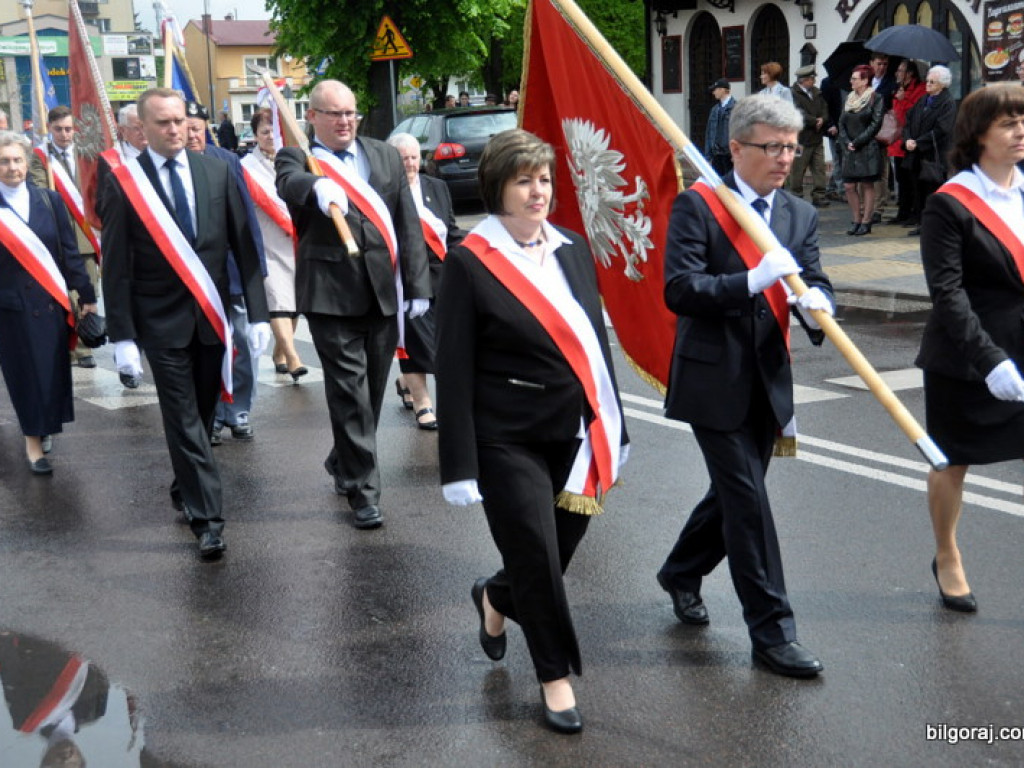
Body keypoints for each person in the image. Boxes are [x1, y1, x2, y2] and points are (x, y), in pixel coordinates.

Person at [436, 129, 628, 734]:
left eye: (543, 178)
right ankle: (554, 677)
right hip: (505, 437)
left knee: (553, 557)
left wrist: (614, 426)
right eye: (524, 179)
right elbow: (454, 366)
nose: (537, 190)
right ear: (498, 188)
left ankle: (495, 598)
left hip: (574, 434)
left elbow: (595, 347)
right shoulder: (470, 261)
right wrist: (459, 463)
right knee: (537, 557)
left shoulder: (571, 247)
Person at [657, 95, 834, 679]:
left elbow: (814, 279)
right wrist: (748, 281)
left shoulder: (798, 215)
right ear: (736, 148)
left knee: (736, 495)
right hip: (713, 381)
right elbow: (680, 289)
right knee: (750, 505)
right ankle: (773, 632)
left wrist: (818, 305)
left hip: (768, 379)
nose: (785, 158)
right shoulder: (701, 206)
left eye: (792, 146)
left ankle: (681, 570)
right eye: (772, 147)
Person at [100, 88, 271, 561]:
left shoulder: (217, 169)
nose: (174, 129)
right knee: (181, 417)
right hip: (160, 321)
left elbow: (244, 245)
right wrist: (124, 336)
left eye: (179, 120)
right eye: (163, 123)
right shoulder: (123, 182)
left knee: (198, 411)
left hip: (211, 317)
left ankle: (185, 484)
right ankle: (209, 520)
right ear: (142, 130)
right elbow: (116, 264)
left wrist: (258, 314)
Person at [275, 80, 431, 530]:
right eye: (334, 113)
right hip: (331, 294)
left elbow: (407, 221)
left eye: (350, 113)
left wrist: (418, 285)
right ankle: (364, 491)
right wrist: (316, 189)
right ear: (313, 116)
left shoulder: (383, 155)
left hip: (384, 292)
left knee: (373, 392)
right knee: (348, 393)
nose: (344, 121)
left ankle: (343, 459)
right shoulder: (298, 156)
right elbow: (289, 182)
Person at [915, 84, 1024, 614]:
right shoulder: (950, 202)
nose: (1020, 131)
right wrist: (991, 360)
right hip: (968, 357)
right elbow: (948, 294)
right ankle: (947, 552)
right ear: (977, 134)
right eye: (1008, 122)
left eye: (1023, 119)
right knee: (952, 461)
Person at [0, 131, 98, 475]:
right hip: (10, 308)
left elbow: (69, 252)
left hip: (49, 303)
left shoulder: (49, 201)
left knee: (51, 372)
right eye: (4, 161)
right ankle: (32, 442)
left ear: (28, 163)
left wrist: (87, 296)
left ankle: (44, 424)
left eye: (17, 160)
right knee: (25, 375)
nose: (12, 167)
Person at [184, 101, 269, 445]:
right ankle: (214, 413)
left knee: (244, 341)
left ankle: (240, 409)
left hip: (231, 272)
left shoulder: (227, 162)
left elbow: (246, 219)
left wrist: (257, 269)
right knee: (208, 346)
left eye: (197, 128)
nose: (192, 135)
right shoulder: (173, 168)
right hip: (194, 276)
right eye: (187, 128)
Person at [386, 132, 465, 430]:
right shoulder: (385, 191)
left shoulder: (438, 187)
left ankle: (405, 381)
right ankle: (423, 403)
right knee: (415, 342)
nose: (409, 163)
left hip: (442, 276)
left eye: (414, 157)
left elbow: (452, 231)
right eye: (403, 158)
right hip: (406, 277)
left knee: (445, 341)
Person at [29, 106, 100, 370]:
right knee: (64, 294)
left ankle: (84, 348)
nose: (64, 134)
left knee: (88, 291)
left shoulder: (86, 156)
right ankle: (68, 346)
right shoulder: (39, 158)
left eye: (69, 129)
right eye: (58, 129)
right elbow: (40, 191)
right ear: (50, 129)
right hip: (57, 235)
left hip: (85, 236)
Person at [241, 108, 307, 381]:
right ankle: (293, 357)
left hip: (295, 238)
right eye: (264, 132)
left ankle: (281, 351)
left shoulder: (293, 160)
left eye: (274, 131)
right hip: (265, 237)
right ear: (255, 135)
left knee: (293, 301)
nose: (270, 136)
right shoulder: (246, 166)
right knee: (278, 297)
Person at [902, 65, 957, 237]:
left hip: (934, 155)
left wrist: (918, 142)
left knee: (933, 190)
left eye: (932, 82)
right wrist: (908, 139)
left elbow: (942, 129)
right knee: (919, 190)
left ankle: (936, 225)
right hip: (917, 153)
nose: (927, 84)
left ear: (942, 84)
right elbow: (908, 120)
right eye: (927, 80)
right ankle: (922, 222)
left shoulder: (947, 102)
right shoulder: (923, 99)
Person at [839, 64, 885, 236]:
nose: (851, 81)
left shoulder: (875, 98)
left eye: (855, 78)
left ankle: (866, 221)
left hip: (866, 148)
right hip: (849, 148)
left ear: (865, 80)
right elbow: (841, 122)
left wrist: (858, 141)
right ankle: (856, 219)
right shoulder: (849, 98)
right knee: (849, 185)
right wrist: (846, 141)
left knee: (867, 184)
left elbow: (876, 123)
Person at [886, 60, 926, 226]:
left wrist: (904, 99)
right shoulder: (898, 89)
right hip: (898, 141)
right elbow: (896, 115)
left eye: (901, 70)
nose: (897, 73)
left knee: (913, 181)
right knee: (901, 180)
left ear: (910, 74)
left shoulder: (920, 89)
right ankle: (902, 212)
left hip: (911, 141)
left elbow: (913, 116)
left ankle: (915, 213)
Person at [789, 65, 830, 206]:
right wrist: (814, 121)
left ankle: (819, 195)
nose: (814, 81)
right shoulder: (793, 93)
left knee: (819, 168)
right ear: (803, 80)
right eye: (811, 79)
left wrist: (823, 119)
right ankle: (796, 195)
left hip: (816, 137)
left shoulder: (816, 92)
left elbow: (825, 108)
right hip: (801, 138)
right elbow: (798, 112)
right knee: (798, 169)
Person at [869, 52, 897, 216]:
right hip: (865, 129)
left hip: (881, 130)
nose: (882, 67)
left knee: (881, 170)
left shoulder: (891, 83)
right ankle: (865, 206)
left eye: (885, 64)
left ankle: (878, 207)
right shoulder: (865, 80)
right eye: (879, 64)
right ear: (871, 63)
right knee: (865, 171)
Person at [704, 78, 735, 176]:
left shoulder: (736, 107)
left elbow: (740, 132)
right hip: (717, 154)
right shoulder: (715, 110)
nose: (714, 92)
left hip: (730, 155)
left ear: (723, 90)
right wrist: (708, 156)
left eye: (716, 89)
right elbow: (709, 133)